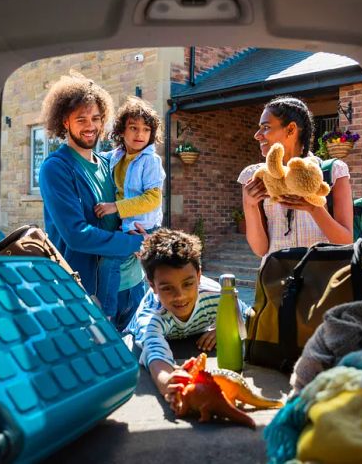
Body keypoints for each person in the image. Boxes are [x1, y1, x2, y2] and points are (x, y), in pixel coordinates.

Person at [39, 74, 146, 331]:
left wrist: (142, 231)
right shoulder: (56, 168)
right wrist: (134, 242)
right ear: (65, 121)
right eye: (81, 119)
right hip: (89, 294)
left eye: (96, 118)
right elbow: (77, 235)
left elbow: (129, 209)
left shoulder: (108, 164)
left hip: (133, 285)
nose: (90, 126)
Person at [124, 229, 252, 401]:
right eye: (167, 288)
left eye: (188, 284)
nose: (180, 296)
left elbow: (247, 315)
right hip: (133, 343)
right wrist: (168, 382)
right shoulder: (152, 314)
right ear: (152, 285)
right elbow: (154, 351)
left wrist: (225, 326)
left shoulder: (218, 297)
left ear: (199, 276)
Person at [238, 97, 354, 260]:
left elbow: (346, 242)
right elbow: (260, 249)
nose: (257, 135)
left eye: (266, 127)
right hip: (276, 278)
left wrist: (313, 208)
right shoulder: (255, 176)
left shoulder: (331, 171)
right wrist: (249, 204)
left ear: (291, 129)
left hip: (322, 279)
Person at [93, 97, 166, 320]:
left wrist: (115, 207)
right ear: (121, 131)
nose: (139, 134)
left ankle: (106, 313)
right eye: (133, 128)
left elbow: (153, 198)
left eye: (146, 129)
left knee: (111, 259)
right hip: (125, 226)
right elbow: (93, 160)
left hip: (144, 227)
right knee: (118, 264)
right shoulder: (114, 157)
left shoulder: (150, 161)